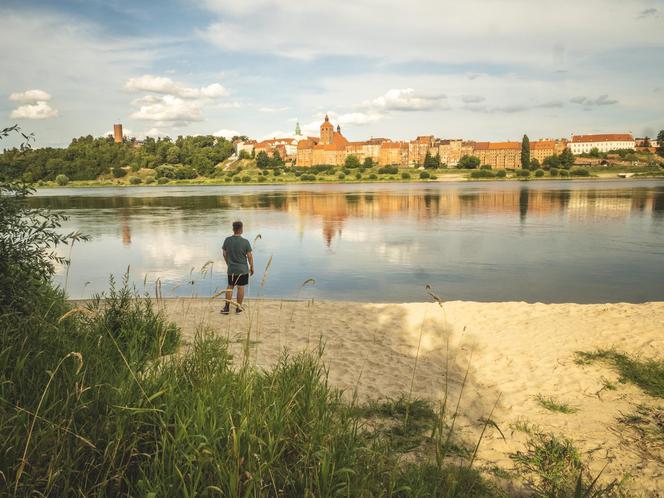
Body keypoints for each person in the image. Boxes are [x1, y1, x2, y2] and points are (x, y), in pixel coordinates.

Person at [221, 221, 254, 314]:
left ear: (233, 229)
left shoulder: (227, 240)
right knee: (240, 288)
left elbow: (224, 253)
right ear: (241, 229)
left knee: (230, 287)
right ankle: (238, 308)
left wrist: (228, 263)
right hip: (242, 270)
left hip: (231, 269)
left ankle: (226, 308)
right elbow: (250, 256)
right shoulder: (245, 242)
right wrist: (252, 267)